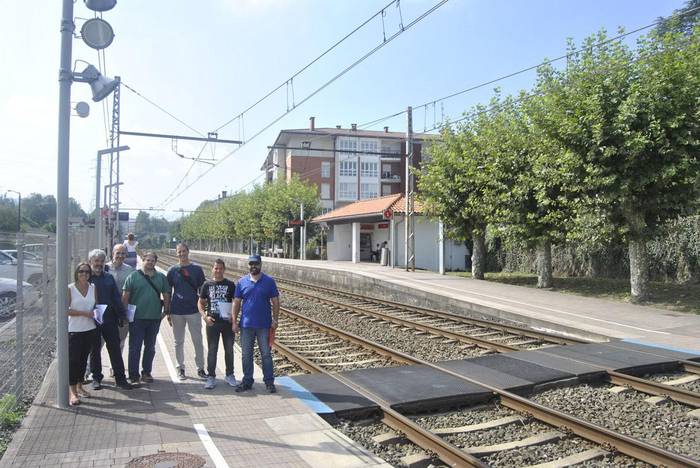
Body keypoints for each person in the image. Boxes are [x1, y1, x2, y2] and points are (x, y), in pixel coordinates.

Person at [232, 254, 280, 393]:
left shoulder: (269, 281)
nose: (254, 266)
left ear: (261, 264)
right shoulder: (241, 282)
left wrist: (275, 319)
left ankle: (269, 382)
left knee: (266, 354)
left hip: (264, 325)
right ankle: (247, 381)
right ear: (248, 265)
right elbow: (236, 302)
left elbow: (275, 301)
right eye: (251, 264)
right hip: (246, 325)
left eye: (256, 264)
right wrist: (234, 321)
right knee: (246, 354)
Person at [87, 249, 133, 390]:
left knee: (114, 348)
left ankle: (120, 379)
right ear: (90, 262)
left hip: (109, 318)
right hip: (92, 318)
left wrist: (122, 315)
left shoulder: (108, 278)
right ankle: (96, 378)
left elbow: (115, 298)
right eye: (96, 261)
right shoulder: (86, 278)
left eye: (101, 261)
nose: (99, 264)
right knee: (94, 349)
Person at [122, 251, 170, 384]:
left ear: (155, 262)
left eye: (152, 260)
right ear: (142, 260)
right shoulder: (133, 276)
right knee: (134, 347)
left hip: (154, 318)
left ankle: (146, 372)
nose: (150, 262)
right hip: (137, 318)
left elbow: (166, 294)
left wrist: (165, 311)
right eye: (147, 260)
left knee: (150, 347)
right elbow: (125, 296)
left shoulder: (161, 277)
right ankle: (133, 375)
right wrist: (125, 314)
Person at [166, 243, 206, 380]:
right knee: (178, 341)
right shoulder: (172, 270)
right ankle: (180, 368)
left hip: (193, 310)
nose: (182, 254)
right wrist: (168, 311)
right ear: (176, 253)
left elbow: (203, 289)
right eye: (179, 252)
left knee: (198, 340)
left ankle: (200, 368)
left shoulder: (197, 270)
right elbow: (167, 292)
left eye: (184, 251)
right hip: (177, 310)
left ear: (188, 252)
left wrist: (203, 308)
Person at [198, 259, 237, 389]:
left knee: (229, 350)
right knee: (212, 350)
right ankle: (211, 377)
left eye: (220, 268)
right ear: (212, 269)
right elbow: (200, 303)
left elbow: (236, 302)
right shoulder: (206, 285)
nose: (218, 270)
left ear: (224, 270)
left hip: (227, 323)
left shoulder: (230, 285)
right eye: (216, 268)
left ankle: (230, 374)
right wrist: (204, 317)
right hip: (212, 322)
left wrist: (234, 316)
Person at [68, 262, 97, 406]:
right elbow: (65, 310)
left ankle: (80, 387)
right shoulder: (70, 288)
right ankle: (72, 392)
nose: (84, 274)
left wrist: (98, 313)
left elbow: (95, 306)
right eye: (81, 272)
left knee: (83, 360)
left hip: (89, 329)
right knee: (73, 361)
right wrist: (84, 313)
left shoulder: (93, 288)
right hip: (74, 330)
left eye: (87, 272)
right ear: (76, 273)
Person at [106, 244, 133, 372]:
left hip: (122, 311)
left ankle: (114, 367)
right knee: (99, 341)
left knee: (120, 340)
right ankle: (90, 370)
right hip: (105, 311)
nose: (120, 256)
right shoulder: (105, 267)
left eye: (123, 253)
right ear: (112, 253)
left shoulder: (130, 270)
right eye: (118, 253)